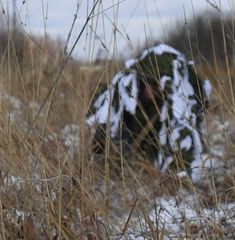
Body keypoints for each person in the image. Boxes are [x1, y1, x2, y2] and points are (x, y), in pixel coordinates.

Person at [86, 43, 211, 173]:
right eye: (147, 85)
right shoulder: (127, 99)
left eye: (155, 86)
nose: (150, 90)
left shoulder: (167, 109)